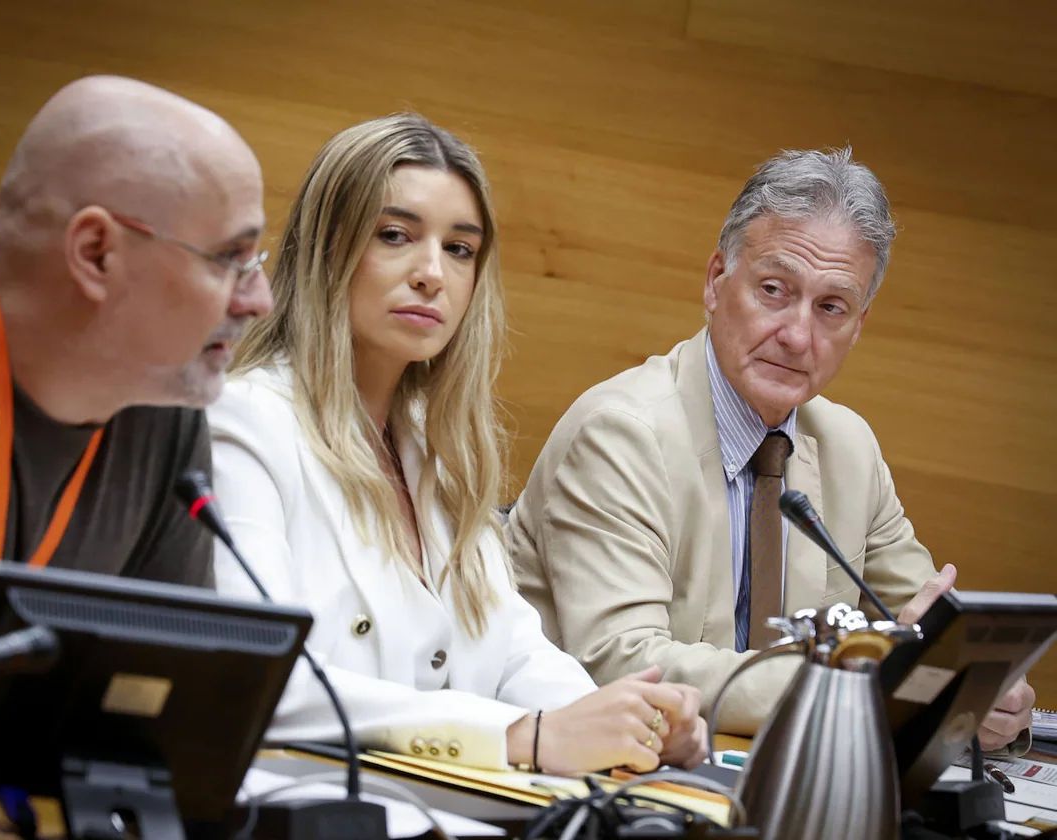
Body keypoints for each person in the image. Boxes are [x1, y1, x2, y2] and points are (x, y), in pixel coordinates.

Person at [209, 113, 708, 774]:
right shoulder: (243, 422)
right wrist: (522, 737)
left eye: (459, 249)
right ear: (327, 247)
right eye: (395, 236)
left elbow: (515, 652)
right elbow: (263, 682)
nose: (431, 274)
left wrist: (632, 723)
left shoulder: (440, 453)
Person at [506, 147, 1035, 749]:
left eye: (831, 307)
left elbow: (928, 627)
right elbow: (621, 664)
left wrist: (981, 685)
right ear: (715, 282)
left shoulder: (848, 449)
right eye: (774, 290)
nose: (797, 335)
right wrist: (859, 682)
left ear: (858, 325)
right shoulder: (620, 434)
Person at [0, 75, 272, 763]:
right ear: (96, 254)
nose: (257, 298)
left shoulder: (164, 419)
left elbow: (166, 702)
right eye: (230, 258)